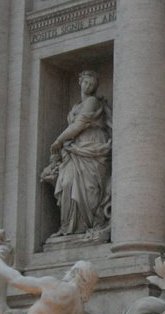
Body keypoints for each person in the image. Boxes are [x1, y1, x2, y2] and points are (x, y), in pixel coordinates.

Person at [41, 70, 112, 237]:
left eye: (92, 84)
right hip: (75, 148)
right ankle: (69, 227)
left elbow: (79, 125)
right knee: (67, 183)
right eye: (86, 82)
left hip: (92, 144)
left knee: (90, 187)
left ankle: (89, 224)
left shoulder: (93, 102)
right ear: (80, 82)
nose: (88, 86)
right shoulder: (75, 106)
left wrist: (58, 141)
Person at [0, 256, 98, 314]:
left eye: (69, 270)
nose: (66, 273)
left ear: (76, 272)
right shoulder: (79, 311)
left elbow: (16, 279)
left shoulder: (56, 286)